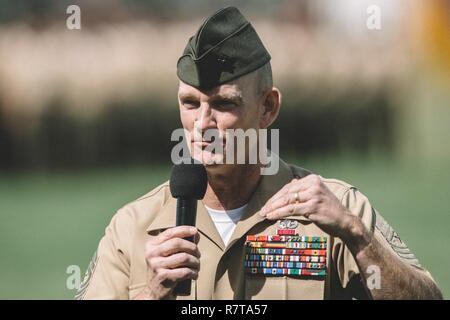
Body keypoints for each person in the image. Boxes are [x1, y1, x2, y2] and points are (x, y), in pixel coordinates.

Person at [76, 6, 442, 300]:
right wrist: (151, 292)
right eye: (190, 103)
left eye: (223, 104)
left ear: (268, 107)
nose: (202, 123)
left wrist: (358, 237)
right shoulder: (133, 228)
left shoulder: (336, 212)